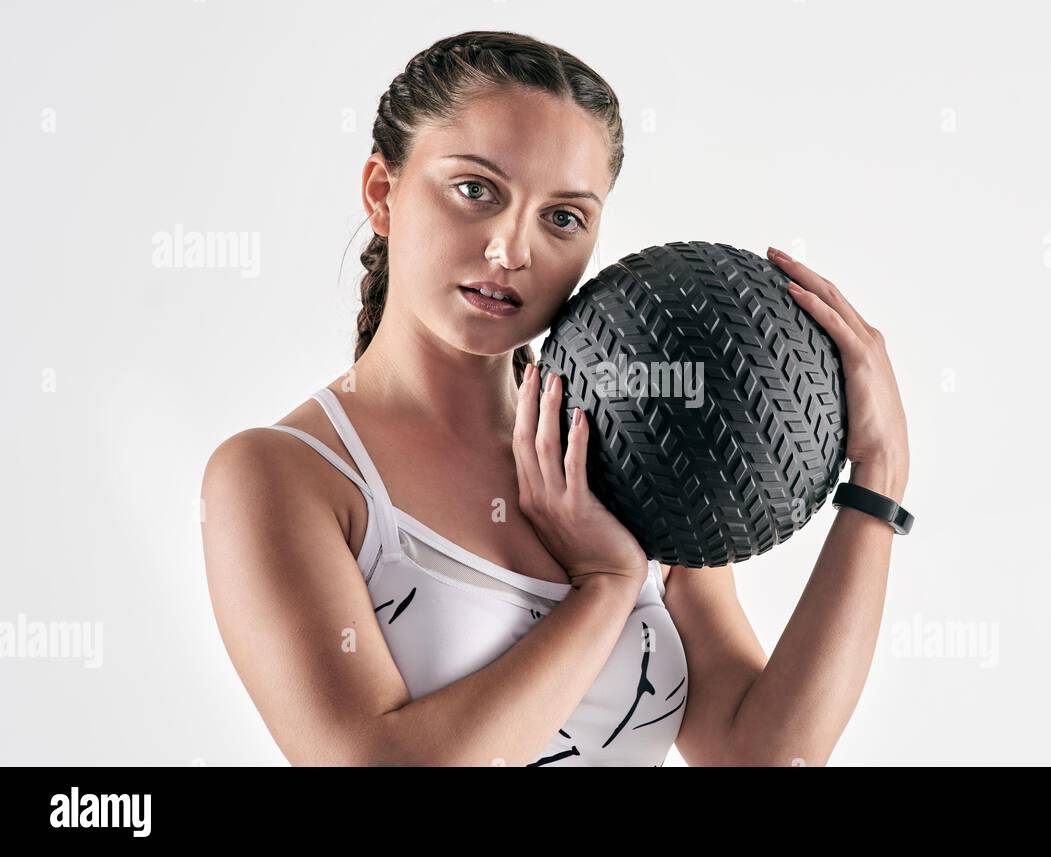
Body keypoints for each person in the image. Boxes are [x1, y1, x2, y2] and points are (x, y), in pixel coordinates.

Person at [200, 30, 909, 767]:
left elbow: (759, 756)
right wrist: (604, 588)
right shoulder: (282, 476)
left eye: (563, 216)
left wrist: (878, 484)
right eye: (476, 190)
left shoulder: (631, 452)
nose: (511, 250)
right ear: (383, 192)